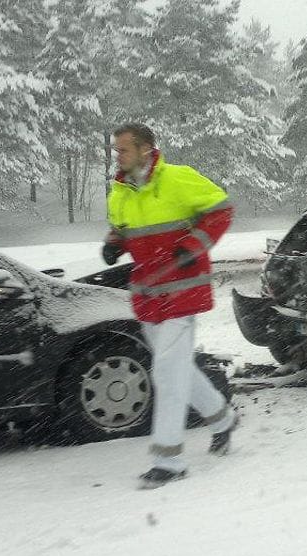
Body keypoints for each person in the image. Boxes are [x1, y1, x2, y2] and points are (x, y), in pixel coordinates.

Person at [102, 122, 237, 489]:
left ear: (146, 149)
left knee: (166, 371)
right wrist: (114, 243)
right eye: (116, 150)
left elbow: (222, 210)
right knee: (178, 370)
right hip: (147, 295)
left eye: (124, 149)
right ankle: (223, 420)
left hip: (182, 292)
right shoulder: (120, 192)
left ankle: (169, 460)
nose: (118, 155)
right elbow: (122, 229)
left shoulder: (179, 179)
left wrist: (192, 246)